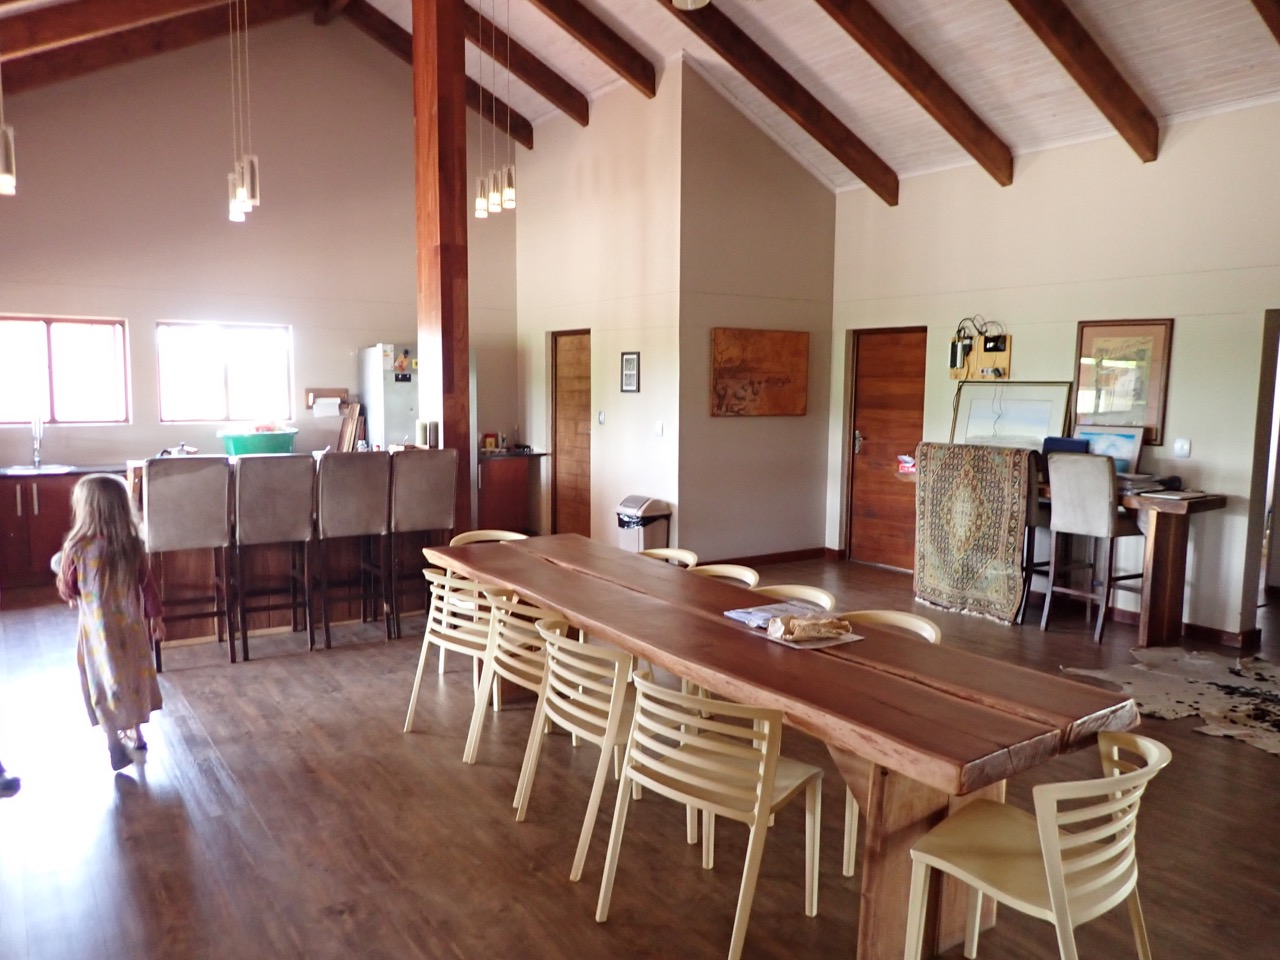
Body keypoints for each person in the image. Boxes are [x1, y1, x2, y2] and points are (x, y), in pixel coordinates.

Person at [56, 474, 164, 772]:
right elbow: (148, 585)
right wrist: (156, 618)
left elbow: (69, 589)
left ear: (85, 509)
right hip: (131, 630)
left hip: (97, 634)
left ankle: (113, 737)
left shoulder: (77, 548)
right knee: (131, 678)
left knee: (104, 682)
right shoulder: (131, 545)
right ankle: (137, 734)